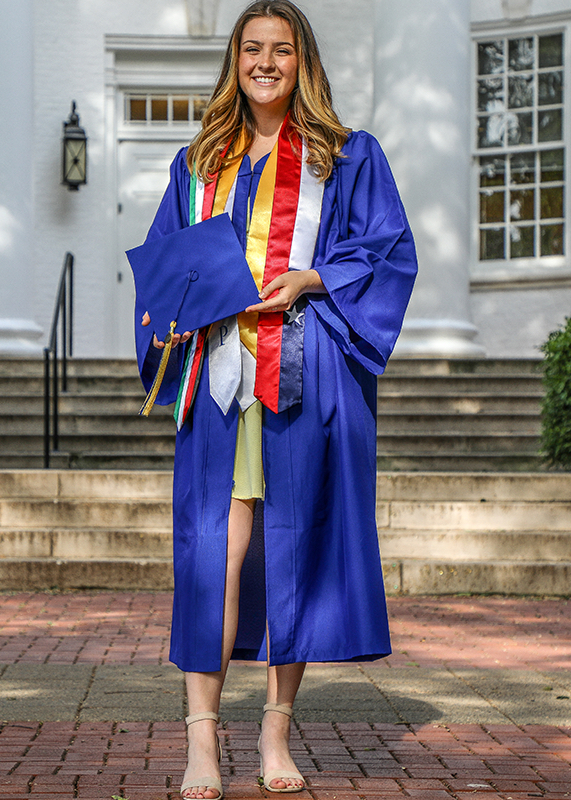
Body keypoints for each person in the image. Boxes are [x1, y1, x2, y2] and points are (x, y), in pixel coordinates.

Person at [136, 2, 417, 797]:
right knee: (212, 556)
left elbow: (388, 249)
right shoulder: (197, 164)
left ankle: (274, 737)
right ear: (235, 60)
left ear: (303, 61)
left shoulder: (344, 155)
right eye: (252, 48)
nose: (266, 62)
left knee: (290, 547)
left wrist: (314, 277)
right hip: (221, 376)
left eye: (281, 50)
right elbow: (165, 267)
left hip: (303, 369)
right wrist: (173, 313)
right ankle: (200, 743)